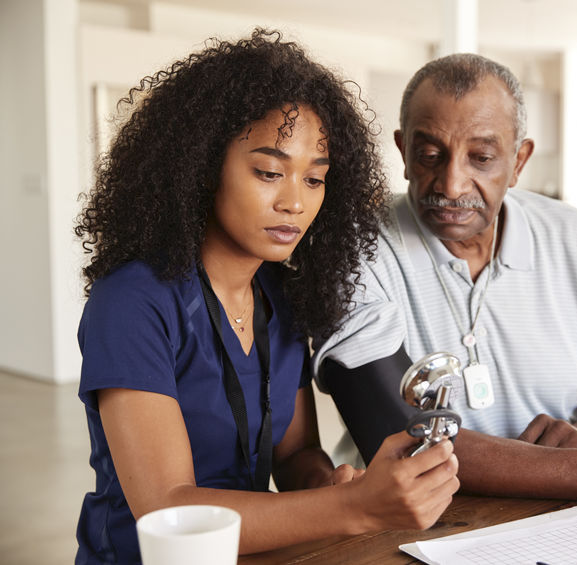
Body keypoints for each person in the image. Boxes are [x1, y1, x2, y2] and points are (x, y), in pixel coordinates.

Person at [73, 30, 459, 564]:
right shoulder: (132, 304)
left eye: (315, 179)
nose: (294, 202)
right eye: (269, 172)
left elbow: (295, 454)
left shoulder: (278, 295)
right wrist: (354, 507)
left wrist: (329, 482)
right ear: (203, 165)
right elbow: (168, 511)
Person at [313, 53, 577, 518]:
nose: (453, 184)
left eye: (482, 157)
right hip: (403, 524)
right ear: (402, 152)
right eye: (431, 154)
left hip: (563, 513)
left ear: (519, 160)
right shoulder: (350, 250)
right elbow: (398, 431)